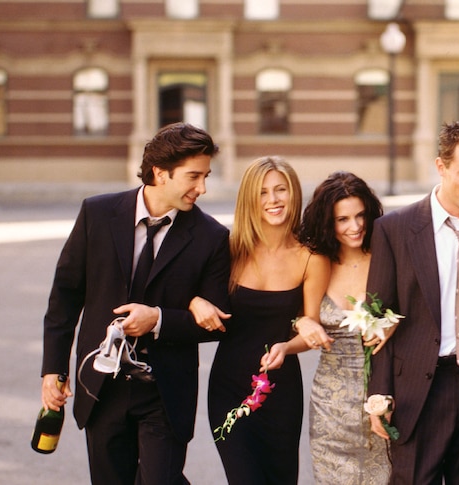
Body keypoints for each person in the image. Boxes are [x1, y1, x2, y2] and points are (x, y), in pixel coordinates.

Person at [40, 122, 231, 484]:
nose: (202, 188)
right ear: (160, 172)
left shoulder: (213, 237)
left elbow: (219, 322)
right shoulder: (97, 213)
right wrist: (54, 369)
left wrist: (158, 319)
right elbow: (65, 295)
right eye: (194, 177)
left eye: (206, 176)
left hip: (165, 392)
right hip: (101, 387)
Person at [365, 120, 459, 484]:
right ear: (441, 166)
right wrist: (378, 396)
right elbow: (375, 321)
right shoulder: (395, 229)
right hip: (421, 387)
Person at [190, 156, 330, 484]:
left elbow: (310, 326)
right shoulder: (228, 249)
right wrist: (195, 301)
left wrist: (287, 345)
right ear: (250, 200)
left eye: (281, 190)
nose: (273, 200)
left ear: (294, 193)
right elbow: (184, 292)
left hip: (281, 393)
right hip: (228, 387)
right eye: (263, 192)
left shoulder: (311, 257)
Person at [297, 171, 390, 484]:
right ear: (327, 223)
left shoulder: (387, 257)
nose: (355, 227)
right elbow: (300, 318)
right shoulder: (316, 263)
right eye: (343, 219)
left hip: (384, 399)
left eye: (361, 215)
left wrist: (390, 327)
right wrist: (300, 322)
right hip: (330, 408)